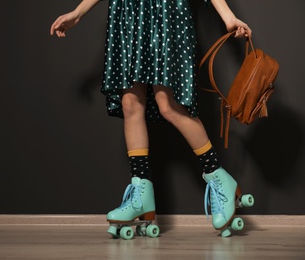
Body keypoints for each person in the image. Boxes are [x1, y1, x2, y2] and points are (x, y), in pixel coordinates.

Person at [50, 0, 252, 236]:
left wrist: (228, 17)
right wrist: (79, 12)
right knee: (130, 104)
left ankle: (220, 179)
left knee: (169, 106)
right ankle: (141, 195)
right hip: (127, 12)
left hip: (165, 11)